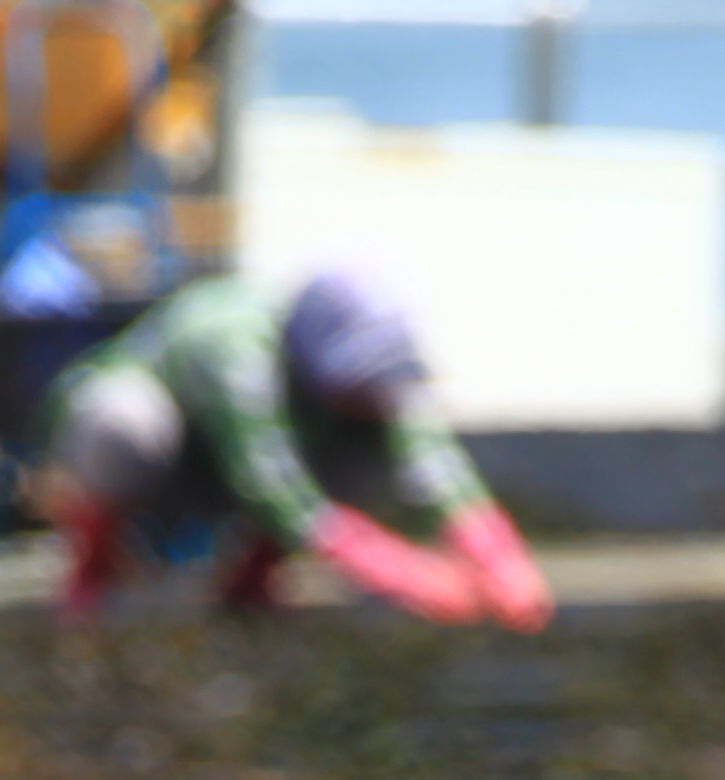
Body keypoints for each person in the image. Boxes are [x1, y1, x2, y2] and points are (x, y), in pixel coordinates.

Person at [30, 264, 552, 630]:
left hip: (242, 467)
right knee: (123, 422)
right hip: (167, 454)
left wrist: (498, 554)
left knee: (363, 436)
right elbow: (265, 472)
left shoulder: (357, 392)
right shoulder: (235, 343)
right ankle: (90, 576)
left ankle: (250, 583)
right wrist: (397, 568)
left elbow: (424, 446)